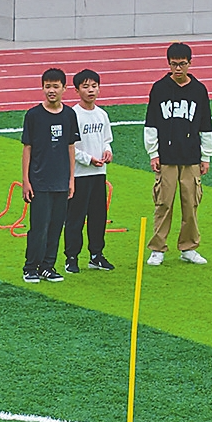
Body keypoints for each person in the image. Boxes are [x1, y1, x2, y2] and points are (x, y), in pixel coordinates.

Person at [143, 42, 212, 267]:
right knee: (163, 203)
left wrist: (206, 156)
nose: (178, 69)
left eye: (182, 64)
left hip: (191, 156)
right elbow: (151, 123)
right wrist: (153, 153)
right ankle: (158, 248)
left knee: (190, 204)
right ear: (168, 64)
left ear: (190, 63)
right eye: (174, 64)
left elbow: (206, 124)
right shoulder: (159, 88)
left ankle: (189, 247)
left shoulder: (199, 90)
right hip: (166, 157)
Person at [20, 68, 80, 284]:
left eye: (56, 86)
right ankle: (30, 267)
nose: (51, 90)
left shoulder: (69, 115)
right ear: (42, 88)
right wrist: (26, 181)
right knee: (39, 227)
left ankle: (48, 266)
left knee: (56, 226)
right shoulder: (33, 115)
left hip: (61, 181)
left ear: (64, 88)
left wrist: (71, 179)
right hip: (40, 181)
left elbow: (70, 147)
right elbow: (27, 148)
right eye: (48, 86)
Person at [63, 68, 114, 274]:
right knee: (75, 218)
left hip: (99, 174)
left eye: (94, 86)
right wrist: (88, 159)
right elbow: (69, 147)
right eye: (85, 87)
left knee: (98, 217)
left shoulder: (102, 114)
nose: (91, 90)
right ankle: (71, 257)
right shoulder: (72, 115)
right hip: (79, 175)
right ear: (77, 90)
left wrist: (107, 152)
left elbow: (107, 140)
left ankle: (96, 255)